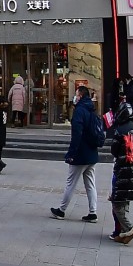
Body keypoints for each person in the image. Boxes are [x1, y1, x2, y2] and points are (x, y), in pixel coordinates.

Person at [50, 85, 101, 222]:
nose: (75, 97)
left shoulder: (79, 111)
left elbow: (76, 134)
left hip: (81, 153)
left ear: (81, 96)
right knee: (90, 184)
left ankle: (61, 210)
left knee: (71, 183)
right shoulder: (92, 110)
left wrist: (71, 153)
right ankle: (93, 212)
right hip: (91, 153)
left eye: (76, 94)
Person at [108, 102, 133, 244]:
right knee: (124, 201)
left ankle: (128, 227)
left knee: (116, 203)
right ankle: (121, 232)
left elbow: (114, 150)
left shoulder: (120, 130)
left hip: (122, 169)